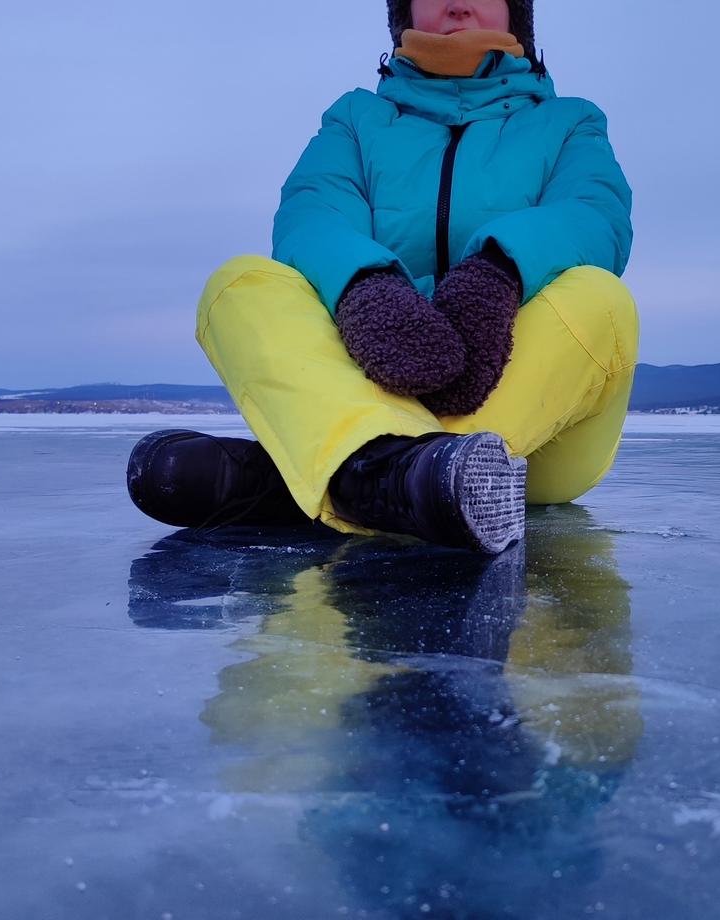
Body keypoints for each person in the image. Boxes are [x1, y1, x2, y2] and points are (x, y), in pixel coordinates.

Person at [126, 0, 638, 554]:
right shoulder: (354, 120)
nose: (459, 2)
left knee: (601, 299)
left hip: (536, 442)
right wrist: (367, 289)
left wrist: (497, 271)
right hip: (375, 375)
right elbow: (313, 214)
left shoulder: (571, 122)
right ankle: (401, 477)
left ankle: (319, 474)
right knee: (240, 283)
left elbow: (594, 215)